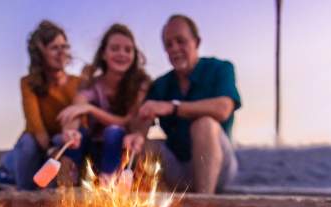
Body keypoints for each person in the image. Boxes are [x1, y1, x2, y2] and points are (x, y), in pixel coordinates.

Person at [124, 14, 241, 194]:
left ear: (197, 41)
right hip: (177, 170)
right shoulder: (161, 84)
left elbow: (224, 108)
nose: (174, 49)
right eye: (168, 45)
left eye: (181, 41)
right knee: (146, 142)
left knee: (204, 124)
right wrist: (138, 131)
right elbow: (143, 119)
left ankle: (204, 205)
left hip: (218, 169)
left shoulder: (220, 68)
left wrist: (174, 107)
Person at [0, 20, 80, 190]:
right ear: (40, 53)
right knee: (27, 144)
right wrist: (52, 151)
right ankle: (13, 180)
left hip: (61, 140)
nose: (62, 53)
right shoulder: (28, 83)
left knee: (61, 142)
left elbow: (81, 122)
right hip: (39, 143)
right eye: (54, 48)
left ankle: (8, 174)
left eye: (64, 46)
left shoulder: (78, 83)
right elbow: (35, 125)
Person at [56, 24, 150, 183]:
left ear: (135, 55)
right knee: (78, 135)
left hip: (121, 153)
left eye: (128, 50)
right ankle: (66, 185)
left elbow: (127, 120)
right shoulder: (93, 83)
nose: (121, 53)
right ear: (104, 54)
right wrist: (70, 130)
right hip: (91, 151)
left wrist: (91, 110)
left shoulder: (140, 84)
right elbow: (76, 109)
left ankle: (108, 183)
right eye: (114, 48)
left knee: (114, 131)